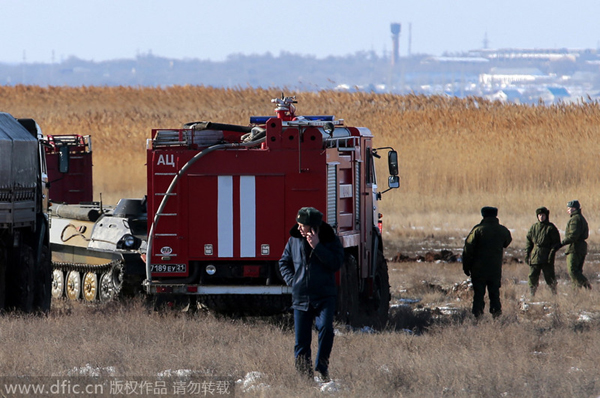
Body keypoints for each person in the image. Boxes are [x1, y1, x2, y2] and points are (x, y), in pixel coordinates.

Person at [279, 207, 344, 381]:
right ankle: (304, 378)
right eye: (298, 224)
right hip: (301, 298)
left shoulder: (330, 240)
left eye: (303, 225)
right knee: (301, 342)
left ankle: (322, 368)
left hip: (324, 296)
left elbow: (336, 263)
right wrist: (293, 281)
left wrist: (317, 247)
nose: (299, 228)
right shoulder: (294, 240)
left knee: (326, 329)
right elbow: (283, 262)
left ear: (313, 227)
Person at [462, 206, 512, 318]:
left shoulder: (478, 230)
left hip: (479, 269)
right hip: (495, 269)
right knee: (494, 294)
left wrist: (466, 266)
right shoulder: (503, 230)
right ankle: (496, 317)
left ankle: (478, 317)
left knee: (478, 294)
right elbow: (507, 242)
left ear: (483, 215)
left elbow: (468, 249)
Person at [525, 207, 561, 296]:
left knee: (550, 277)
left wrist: (551, 253)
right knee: (532, 276)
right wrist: (527, 254)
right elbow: (529, 241)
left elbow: (557, 243)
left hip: (547, 256)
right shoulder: (534, 227)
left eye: (543, 215)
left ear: (546, 216)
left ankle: (554, 294)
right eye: (539, 215)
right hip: (535, 255)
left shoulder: (551, 228)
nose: (541, 217)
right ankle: (532, 294)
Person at [556, 200, 591, 289]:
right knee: (577, 271)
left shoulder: (575, 219)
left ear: (575, 209)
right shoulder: (581, 218)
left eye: (570, 208)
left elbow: (573, 236)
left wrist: (561, 244)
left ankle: (587, 286)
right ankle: (575, 293)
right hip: (581, 248)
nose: (569, 210)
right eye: (568, 208)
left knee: (573, 271)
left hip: (575, 248)